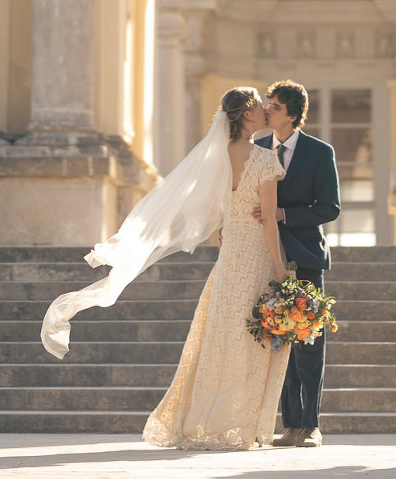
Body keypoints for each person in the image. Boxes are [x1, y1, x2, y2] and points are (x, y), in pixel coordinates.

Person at [40, 86, 290, 450]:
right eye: (258, 108)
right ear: (245, 116)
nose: (265, 113)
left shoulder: (217, 156)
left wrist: (226, 226)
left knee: (220, 337)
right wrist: (280, 269)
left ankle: (206, 421)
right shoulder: (265, 160)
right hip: (254, 254)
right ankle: (238, 424)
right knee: (249, 338)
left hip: (231, 253)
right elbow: (267, 219)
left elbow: (215, 209)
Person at [253, 79, 340, 449]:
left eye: (272, 105)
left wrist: (284, 213)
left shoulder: (320, 152)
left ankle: (311, 426)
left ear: (290, 113)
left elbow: (329, 208)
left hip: (304, 257)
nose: (265, 110)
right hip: (266, 257)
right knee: (278, 340)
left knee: (308, 341)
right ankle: (290, 426)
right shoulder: (256, 149)